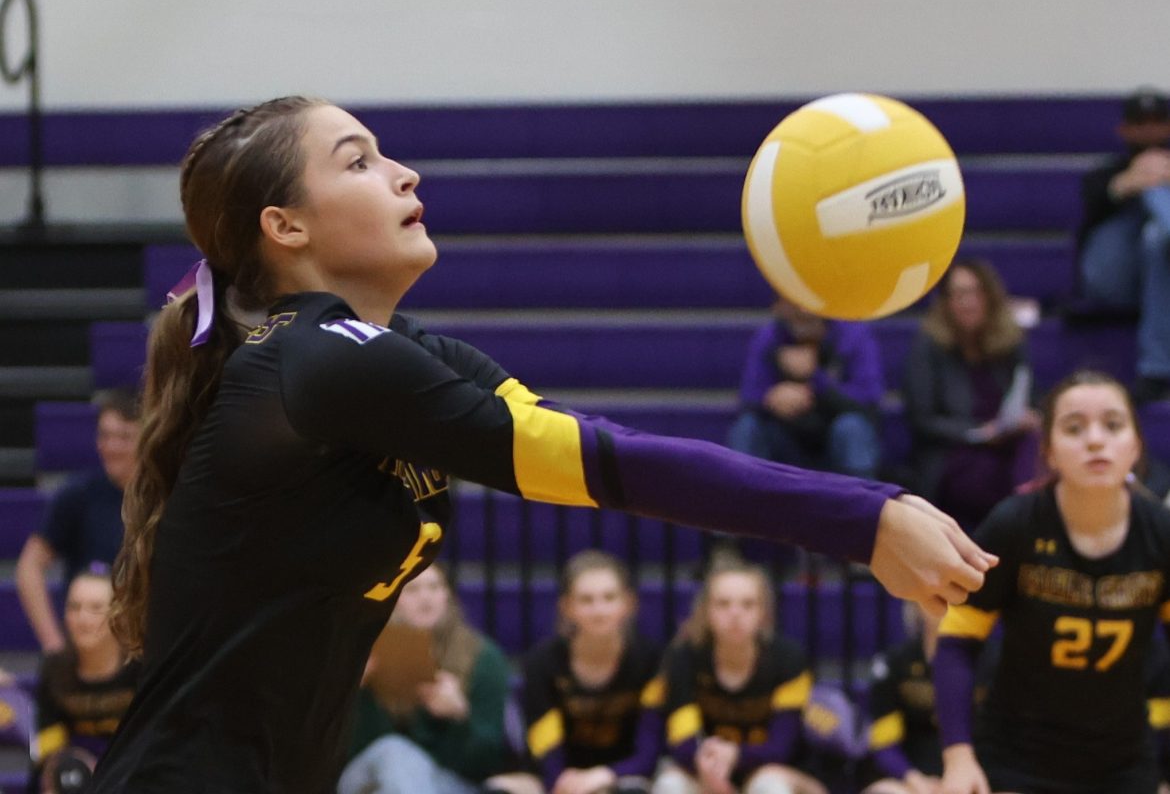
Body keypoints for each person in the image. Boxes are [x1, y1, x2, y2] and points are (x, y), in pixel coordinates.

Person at [87, 96, 992, 793]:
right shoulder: (309, 363)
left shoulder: (399, 361)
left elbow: (599, 449)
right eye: (358, 161)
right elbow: (609, 467)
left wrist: (869, 514)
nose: (403, 173)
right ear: (285, 227)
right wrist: (867, 516)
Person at [935, 369, 1170, 794]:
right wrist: (958, 755)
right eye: (1074, 427)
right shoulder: (1014, 525)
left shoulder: (1161, 535)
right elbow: (956, 643)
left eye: (1113, 425)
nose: (1095, 440)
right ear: (1049, 452)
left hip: (1124, 766)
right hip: (1014, 761)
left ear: (1135, 446)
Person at [654, 556, 827, 794]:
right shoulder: (683, 657)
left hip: (775, 769)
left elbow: (782, 747)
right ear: (706, 611)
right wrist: (712, 765)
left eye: (747, 604)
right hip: (704, 768)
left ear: (763, 613)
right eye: (723, 604)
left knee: (769, 786)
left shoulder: (789, 660)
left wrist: (735, 754)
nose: (735, 613)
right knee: (670, 784)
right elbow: (683, 743)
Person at [338, 563, 512, 794]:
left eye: (435, 587)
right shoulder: (362, 655)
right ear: (393, 597)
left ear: (447, 595)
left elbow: (486, 764)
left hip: (449, 782)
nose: (425, 597)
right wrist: (356, 692)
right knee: (394, 753)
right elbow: (328, 755)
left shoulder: (481, 657)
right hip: (365, 774)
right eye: (412, 589)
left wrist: (458, 716)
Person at [901, 259, 1039, 532]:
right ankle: (1017, 533)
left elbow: (1028, 398)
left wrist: (1029, 418)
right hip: (954, 452)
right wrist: (978, 433)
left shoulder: (1010, 345)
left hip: (1006, 444)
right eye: (960, 294)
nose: (969, 301)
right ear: (946, 302)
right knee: (987, 475)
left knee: (1035, 444)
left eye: (976, 292)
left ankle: (1029, 525)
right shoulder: (928, 348)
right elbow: (922, 419)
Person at [520, 550, 663, 794]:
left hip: (627, 777)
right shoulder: (541, 663)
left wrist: (604, 775)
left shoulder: (652, 660)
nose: (599, 610)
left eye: (609, 598)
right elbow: (545, 748)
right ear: (566, 607)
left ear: (629, 603)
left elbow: (649, 751)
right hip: (563, 781)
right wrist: (566, 783)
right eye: (586, 600)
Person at [16, 388, 140, 653]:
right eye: (104, 436)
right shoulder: (80, 495)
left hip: (145, 649)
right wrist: (54, 645)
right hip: (89, 653)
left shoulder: (166, 497)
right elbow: (29, 567)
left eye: (124, 437)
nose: (111, 446)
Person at [1077, 87, 1170, 402]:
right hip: (1114, 282)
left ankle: (1156, 369)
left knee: (1157, 238)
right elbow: (1092, 207)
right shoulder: (1104, 174)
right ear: (1124, 129)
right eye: (1140, 123)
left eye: (1157, 122)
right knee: (1153, 205)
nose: (1149, 131)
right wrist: (1131, 182)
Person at [726, 296, 884, 479]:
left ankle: (863, 503)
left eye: (809, 303)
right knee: (747, 427)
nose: (803, 311)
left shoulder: (853, 335)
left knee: (852, 428)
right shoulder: (768, 336)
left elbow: (868, 401)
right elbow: (748, 397)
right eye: (792, 303)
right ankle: (743, 501)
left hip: (833, 439)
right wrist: (771, 398)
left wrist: (816, 381)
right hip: (786, 440)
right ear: (777, 306)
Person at [31, 564, 140, 793]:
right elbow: (47, 748)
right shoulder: (55, 669)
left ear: (118, 613)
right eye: (74, 607)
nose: (82, 618)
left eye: (95, 608)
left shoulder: (140, 667)